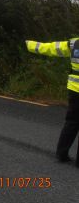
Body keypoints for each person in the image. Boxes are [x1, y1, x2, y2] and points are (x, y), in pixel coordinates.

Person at [26, 38, 79, 166]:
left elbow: (51, 48)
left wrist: (30, 44)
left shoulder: (74, 43)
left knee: (71, 122)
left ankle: (61, 154)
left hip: (74, 89)